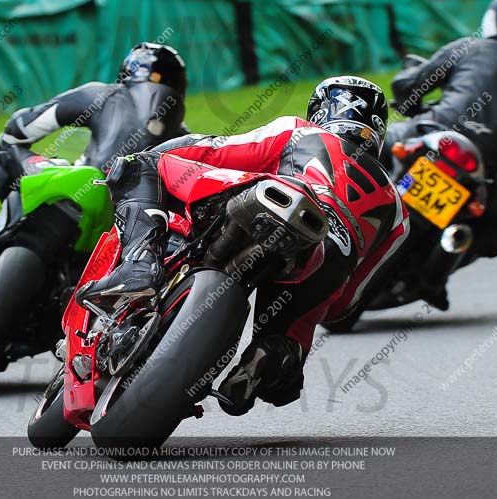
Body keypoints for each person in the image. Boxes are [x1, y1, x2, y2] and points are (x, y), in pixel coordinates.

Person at [76, 76, 409, 415]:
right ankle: (273, 356)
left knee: (140, 166)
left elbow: (213, 151)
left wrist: (157, 153)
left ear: (320, 112)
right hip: (330, 255)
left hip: (270, 198)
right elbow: (346, 305)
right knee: (292, 337)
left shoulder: (300, 132)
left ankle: (139, 264)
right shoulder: (398, 210)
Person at [0, 42, 190, 268]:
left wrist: (23, 145)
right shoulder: (185, 136)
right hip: (129, 231)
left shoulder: (103, 94)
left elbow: (20, 128)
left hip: (86, 188)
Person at [385, 0, 497, 308]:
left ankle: (342, 207)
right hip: (484, 173)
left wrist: (409, 85)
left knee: (375, 143)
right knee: (496, 233)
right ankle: (433, 277)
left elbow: (409, 87)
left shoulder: (468, 47)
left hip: (432, 137)